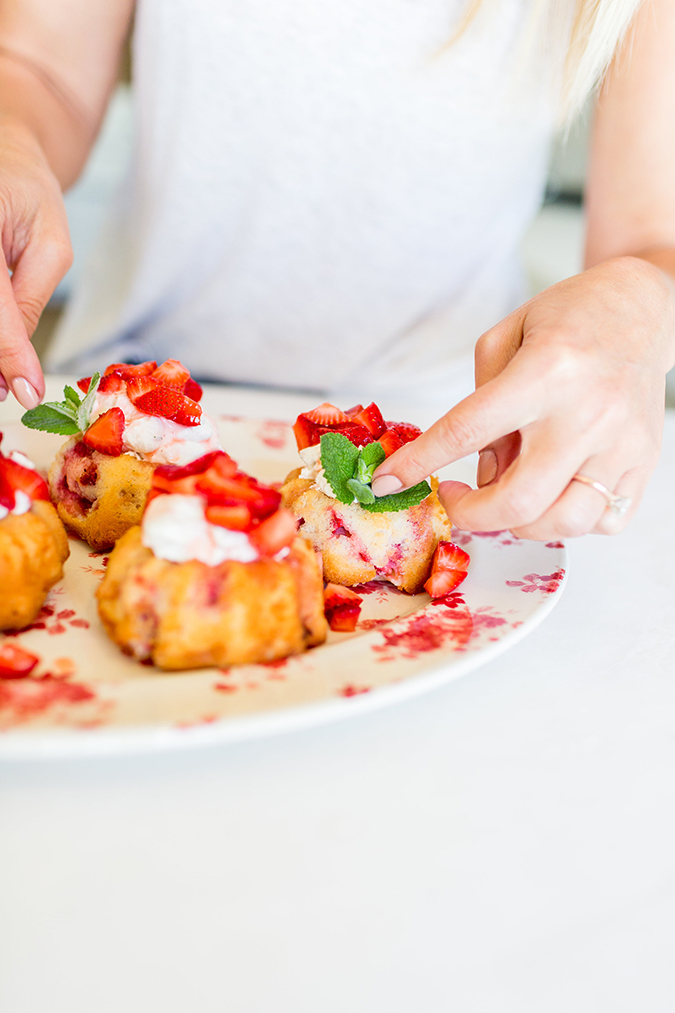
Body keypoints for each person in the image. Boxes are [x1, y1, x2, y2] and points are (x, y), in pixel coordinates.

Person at [0, 0, 673, 543]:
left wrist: (639, 306)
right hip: (119, 406)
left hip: (446, 447)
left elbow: (651, 235)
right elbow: (38, 69)